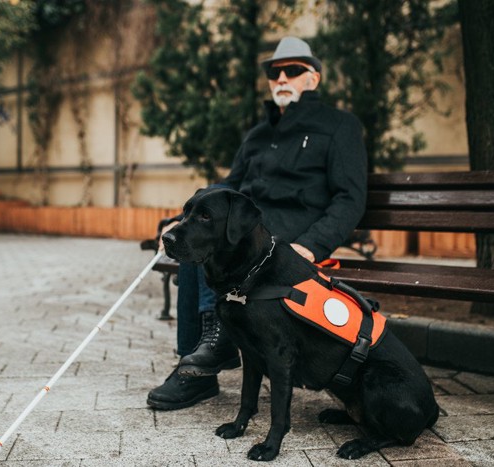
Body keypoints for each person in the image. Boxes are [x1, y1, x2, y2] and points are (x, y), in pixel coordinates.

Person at [146, 36, 368, 410]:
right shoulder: (258, 133)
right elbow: (229, 187)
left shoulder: (339, 126)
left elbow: (350, 198)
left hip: (288, 237)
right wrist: (181, 223)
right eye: (274, 72)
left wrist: (312, 245)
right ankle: (196, 367)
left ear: (313, 79)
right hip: (244, 231)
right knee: (194, 243)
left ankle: (209, 352)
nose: (281, 78)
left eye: (293, 70)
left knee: (214, 250)